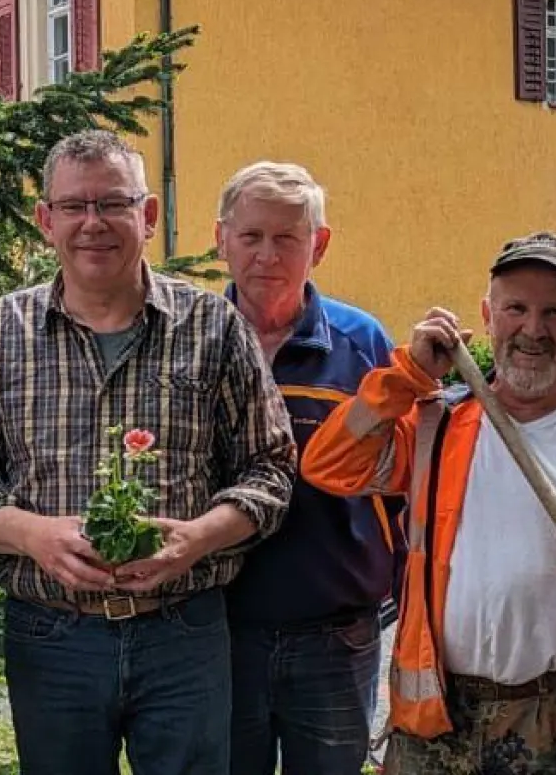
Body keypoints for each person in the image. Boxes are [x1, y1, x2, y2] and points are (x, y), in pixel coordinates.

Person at [0, 130, 297, 775]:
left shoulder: (212, 326)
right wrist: (30, 534)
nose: (93, 224)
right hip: (52, 635)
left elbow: (271, 469)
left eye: (113, 203)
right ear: (45, 220)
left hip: (183, 629)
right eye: (74, 207)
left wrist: (197, 537)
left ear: (149, 216)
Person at [302, 231, 556, 775]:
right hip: (438, 720)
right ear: (487, 316)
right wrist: (407, 376)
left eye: (555, 313)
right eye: (516, 308)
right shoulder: (434, 428)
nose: (532, 329)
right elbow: (328, 463)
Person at [213, 161, 404, 775]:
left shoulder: (362, 343)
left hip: (336, 637)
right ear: (222, 240)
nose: (267, 255)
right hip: (219, 631)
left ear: (318, 246)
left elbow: (405, 480)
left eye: (287, 238)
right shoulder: (192, 340)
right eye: (251, 236)